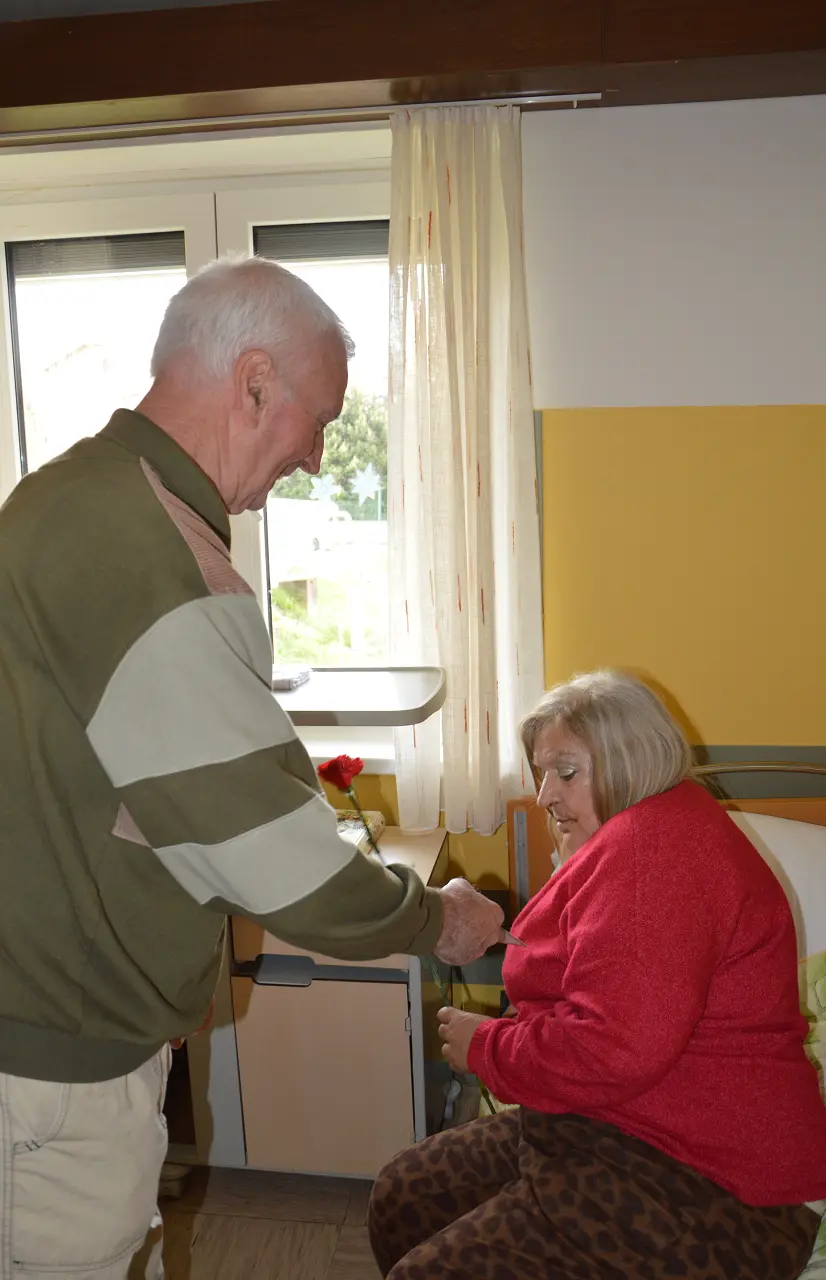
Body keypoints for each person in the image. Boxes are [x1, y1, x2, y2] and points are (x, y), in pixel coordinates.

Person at [0, 257, 503, 1277]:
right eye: (319, 421)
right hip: (55, 1061)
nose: (316, 458)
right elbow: (269, 852)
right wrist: (432, 919)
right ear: (255, 381)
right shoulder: (151, 553)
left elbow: (97, 789)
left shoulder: (61, 497)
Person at [368, 670, 826, 1279]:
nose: (545, 795)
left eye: (567, 772)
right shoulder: (640, 834)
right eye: (542, 775)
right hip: (619, 1123)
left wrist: (488, 1048)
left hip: (718, 1183)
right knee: (405, 1194)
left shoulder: (658, 853)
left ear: (630, 762)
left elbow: (614, 1046)